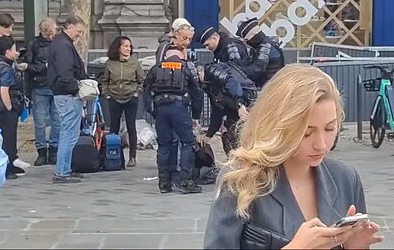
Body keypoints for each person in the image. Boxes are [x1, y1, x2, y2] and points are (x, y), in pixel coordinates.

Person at [204, 64, 384, 249]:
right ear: (278, 127)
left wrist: (355, 247)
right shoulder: (240, 179)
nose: (321, 144)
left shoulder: (346, 178)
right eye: (306, 133)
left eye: (330, 128)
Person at [144, 48, 204, 194]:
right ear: (181, 56)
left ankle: (164, 183)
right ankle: (186, 181)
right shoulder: (185, 68)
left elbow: (145, 91)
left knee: (164, 145)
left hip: (161, 108)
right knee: (187, 142)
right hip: (179, 108)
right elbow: (197, 92)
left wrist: (153, 111)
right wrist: (196, 115)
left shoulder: (156, 69)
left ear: (165, 56)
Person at [47, 15, 87, 183]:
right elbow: (65, 73)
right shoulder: (63, 46)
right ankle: (62, 171)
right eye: (78, 31)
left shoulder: (60, 43)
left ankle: (65, 169)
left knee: (67, 132)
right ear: (69, 27)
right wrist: (76, 88)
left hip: (63, 93)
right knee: (69, 134)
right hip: (67, 94)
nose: (80, 35)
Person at [101, 36, 145, 167]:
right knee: (114, 128)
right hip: (114, 97)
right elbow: (105, 81)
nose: (128, 49)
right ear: (118, 47)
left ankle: (132, 156)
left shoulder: (135, 63)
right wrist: (106, 93)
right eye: (125, 46)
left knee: (131, 127)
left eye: (130, 46)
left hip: (131, 97)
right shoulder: (109, 63)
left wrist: (137, 92)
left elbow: (141, 80)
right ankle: (115, 156)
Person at [23, 17, 61, 166]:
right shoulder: (34, 44)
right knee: (40, 122)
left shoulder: (58, 43)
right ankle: (41, 151)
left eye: (52, 34)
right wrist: (44, 67)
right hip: (40, 86)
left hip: (55, 86)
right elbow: (28, 65)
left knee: (57, 121)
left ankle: (53, 150)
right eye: (48, 34)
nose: (51, 37)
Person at [0, 37, 27, 180]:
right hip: (4, 107)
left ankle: (9, 164)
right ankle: (6, 167)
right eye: (14, 49)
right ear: (7, 51)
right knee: (8, 138)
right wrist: (10, 108)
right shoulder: (5, 68)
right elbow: (4, 90)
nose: (16, 52)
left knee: (3, 137)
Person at [236, 17, 285, 88]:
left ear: (254, 35)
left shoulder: (265, 47)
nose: (247, 42)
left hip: (270, 87)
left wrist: (237, 70)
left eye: (247, 39)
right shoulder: (264, 45)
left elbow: (257, 69)